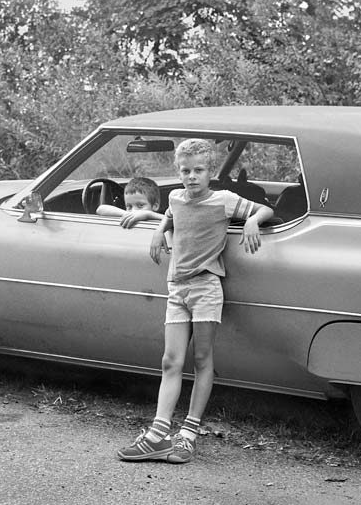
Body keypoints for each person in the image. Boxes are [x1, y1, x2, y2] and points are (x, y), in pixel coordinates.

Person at [117, 138, 273, 464]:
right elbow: (173, 214)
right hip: (177, 289)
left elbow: (265, 209)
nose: (192, 176)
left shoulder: (224, 201)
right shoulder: (175, 196)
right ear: (178, 171)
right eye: (185, 170)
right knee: (170, 361)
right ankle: (158, 435)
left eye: (199, 170)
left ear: (210, 171)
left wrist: (253, 221)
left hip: (206, 289)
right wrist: (159, 228)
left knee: (202, 359)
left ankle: (188, 433)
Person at [96, 177, 164, 227]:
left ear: (155, 206)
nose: (133, 211)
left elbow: (172, 220)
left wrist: (148, 214)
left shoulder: (161, 222)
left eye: (140, 205)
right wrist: (128, 214)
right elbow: (101, 209)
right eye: (129, 207)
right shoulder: (130, 216)